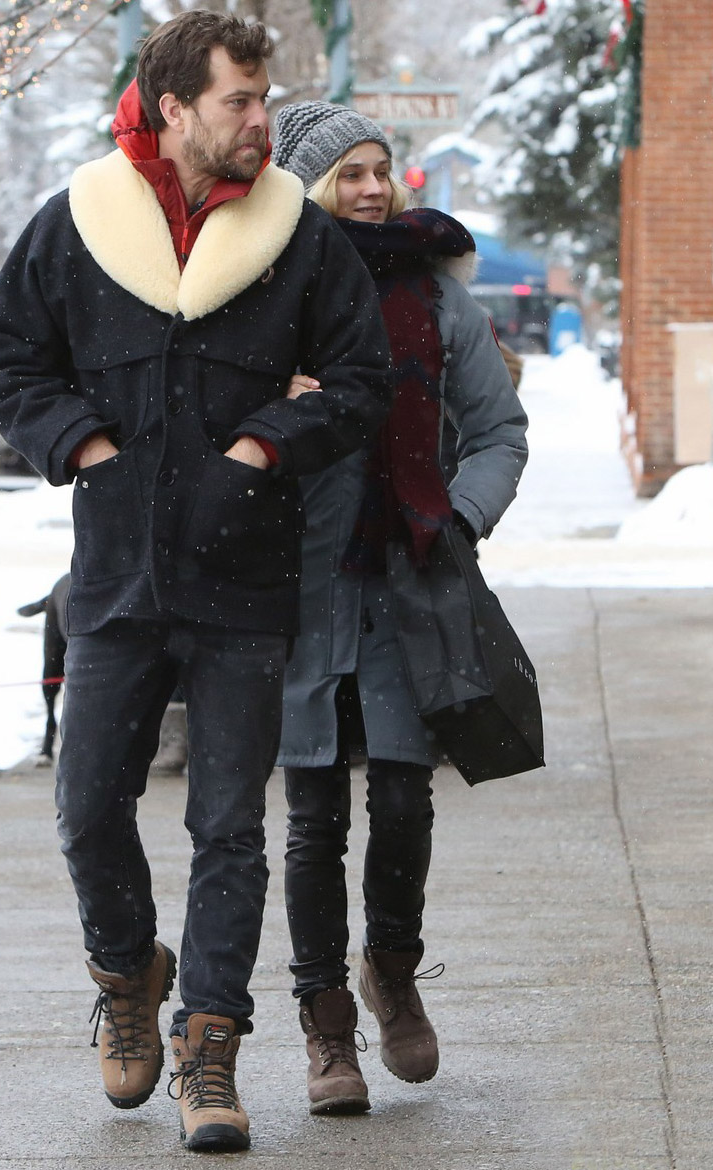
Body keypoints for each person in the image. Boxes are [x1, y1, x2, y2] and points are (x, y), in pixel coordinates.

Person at [0, 19, 392, 1153]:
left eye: (265, 99)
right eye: (241, 102)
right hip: (111, 581)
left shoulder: (299, 242)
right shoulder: (78, 227)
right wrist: (87, 449)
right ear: (175, 109)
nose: (263, 121)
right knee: (86, 805)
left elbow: (360, 378)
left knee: (227, 829)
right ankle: (126, 974)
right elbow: (4, 356)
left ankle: (210, 1047)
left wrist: (263, 446)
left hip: (247, 581)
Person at [272, 101, 529, 1116]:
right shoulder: (266, 296)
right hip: (300, 591)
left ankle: (393, 970)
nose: (372, 188)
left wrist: (458, 517)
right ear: (306, 188)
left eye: (382, 169)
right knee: (310, 818)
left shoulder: (436, 295)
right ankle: (324, 1024)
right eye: (350, 173)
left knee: (408, 797)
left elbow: (498, 428)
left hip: (410, 578)